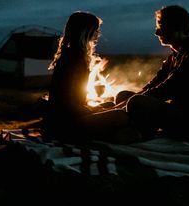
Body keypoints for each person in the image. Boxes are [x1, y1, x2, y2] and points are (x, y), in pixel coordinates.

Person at [118, 4, 189, 140]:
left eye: (160, 27)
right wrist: (122, 103)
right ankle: (139, 129)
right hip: (180, 112)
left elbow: (167, 89)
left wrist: (124, 105)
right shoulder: (175, 55)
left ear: (178, 28)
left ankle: (138, 131)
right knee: (124, 96)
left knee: (135, 102)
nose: (156, 32)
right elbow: (154, 84)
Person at [42, 11, 130, 142]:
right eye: (96, 30)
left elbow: (75, 101)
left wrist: (94, 108)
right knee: (120, 116)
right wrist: (91, 111)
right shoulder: (74, 58)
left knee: (110, 105)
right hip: (65, 123)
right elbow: (67, 104)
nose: (98, 34)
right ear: (85, 31)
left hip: (71, 116)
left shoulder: (75, 55)